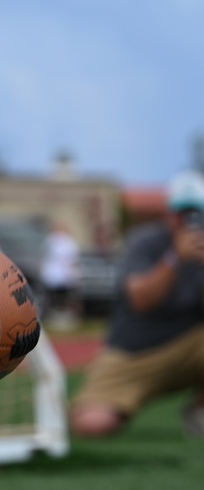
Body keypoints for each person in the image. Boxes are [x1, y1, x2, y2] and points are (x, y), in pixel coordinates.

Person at [70, 170, 204, 438]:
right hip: (135, 352)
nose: (189, 220)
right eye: (182, 212)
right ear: (169, 213)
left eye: (196, 212)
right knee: (91, 425)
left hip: (191, 347)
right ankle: (97, 407)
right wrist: (175, 259)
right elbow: (141, 300)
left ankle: (199, 412)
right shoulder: (145, 242)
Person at [39, 220, 81, 325]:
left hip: (62, 274)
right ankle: (54, 315)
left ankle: (62, 315)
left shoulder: (66, 242)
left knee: (62, 297)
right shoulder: (52, 240)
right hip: (55, 274)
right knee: (54, 297)